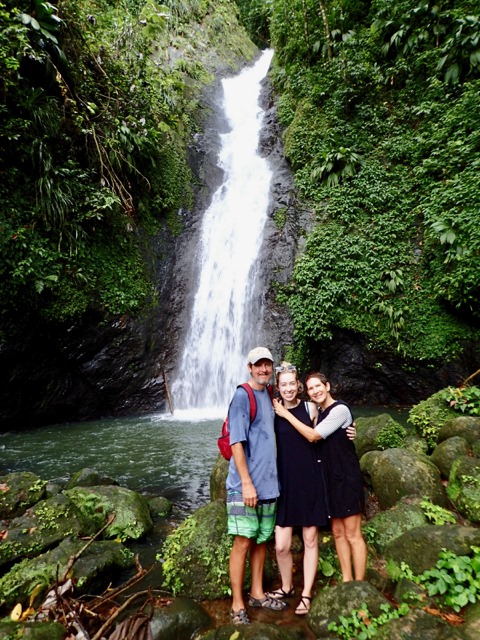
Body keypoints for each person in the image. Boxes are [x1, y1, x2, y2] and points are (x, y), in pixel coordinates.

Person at [267, 363, 356, 615]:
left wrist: (351, 431)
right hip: (285, 483)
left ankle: (306, 594)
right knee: (281, 545)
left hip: (310, 480)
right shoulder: (272, 410)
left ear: (298, 386)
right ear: (278, 387)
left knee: (309, 539)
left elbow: (327, 430)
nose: (288, 388)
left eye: (292, 383)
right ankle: (286, 587)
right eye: (283, 384)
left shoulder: (311, 408)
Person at [226, 347, 286, 625]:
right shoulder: (243, 396)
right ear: (249, 367)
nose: (263, 369)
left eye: (267, 364)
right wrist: (247, 484)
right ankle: (237, 603)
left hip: (269, 485)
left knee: (261, 540)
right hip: (245, 487)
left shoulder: (270, 394)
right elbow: (236, 442)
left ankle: (257, 593)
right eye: (258, 365)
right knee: (243, 541)